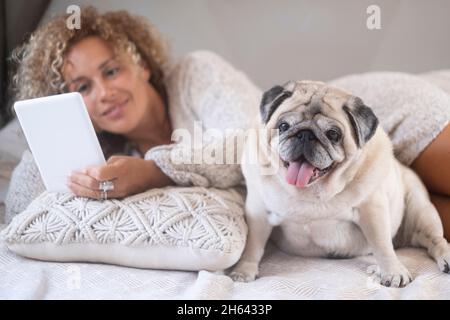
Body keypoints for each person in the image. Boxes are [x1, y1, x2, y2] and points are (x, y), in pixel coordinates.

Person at [5, 6, 450, 241]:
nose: (103, 93)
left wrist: (154, 172)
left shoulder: (195, 74)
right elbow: (19, 206)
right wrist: (46, 124)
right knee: (426, 218)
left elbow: (248, 142)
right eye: (81, 87)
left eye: (111, 71)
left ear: (140, 64)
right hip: (327, 179)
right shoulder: (111, 156)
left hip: (349, 114)